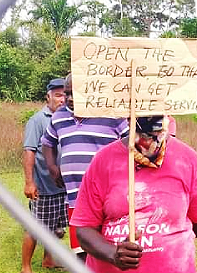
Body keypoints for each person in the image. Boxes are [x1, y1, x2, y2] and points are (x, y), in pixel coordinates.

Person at [69, 115, 197, 273]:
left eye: (157, 134)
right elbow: (84, 229)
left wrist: (167, 244)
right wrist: (113, 254)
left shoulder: (187, 158)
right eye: (143, 136)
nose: (149, 144)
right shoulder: (103, 160)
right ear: (129, 124)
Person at [41, 73, 129, 261]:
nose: (71, 98)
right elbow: (47, 142)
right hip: (76, 199)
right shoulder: (59, 116)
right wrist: (52, 167)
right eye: (68, 93)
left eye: (77, 93)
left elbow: (132, 143)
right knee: (81, 252)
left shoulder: (111, 114)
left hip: (109, 197)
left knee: (110, 249)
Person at [21, 78, 68, 273]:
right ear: (48, 96)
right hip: (44, 189)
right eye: (58, 95)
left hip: (64, 187)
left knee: (57, 229)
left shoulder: (68, 118)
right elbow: (29, 151)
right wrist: (29, 182)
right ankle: (26, 267)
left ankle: (48, 259)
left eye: (65, 94)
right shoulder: (37, 120)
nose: (62, 99)